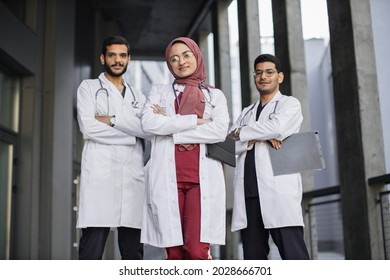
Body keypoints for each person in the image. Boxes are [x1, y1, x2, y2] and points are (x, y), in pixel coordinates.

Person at [140, 37, 229, 260]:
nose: (181, 61)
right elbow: (149, 124)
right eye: (174, 58)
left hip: (202, 180)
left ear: (196, 56)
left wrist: (171, 126)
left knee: (197, 251)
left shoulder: (214, 95)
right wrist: (197, 121)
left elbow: (218, 131)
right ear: (169, 64)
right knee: (174, 254)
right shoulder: (159, 91)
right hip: (167, 178)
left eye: (186, 55)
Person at [76, 35, 150, 260]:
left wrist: (111, 120)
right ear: (103, 58)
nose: (117, 60)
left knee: (133, 254)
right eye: (112, 55)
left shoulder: (139, 95)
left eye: (122, 55)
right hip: (101, 181)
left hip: (132, 180)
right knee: (92, 251)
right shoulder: (88, 88)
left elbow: (147, 129)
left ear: (129, 59)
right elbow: (88, 128)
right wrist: (131, 135)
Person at [229, 54, 310, 260]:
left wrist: (245, 133)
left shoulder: (289, 104)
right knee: (254, 259)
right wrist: (264, 136)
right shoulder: (246, 112)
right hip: (249, 196)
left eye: (269, 72)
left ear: (280, 77)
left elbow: (279, 127)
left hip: (278, 192)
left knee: (294, 257)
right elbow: (229, 144)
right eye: (258, 72)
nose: (263, 76)